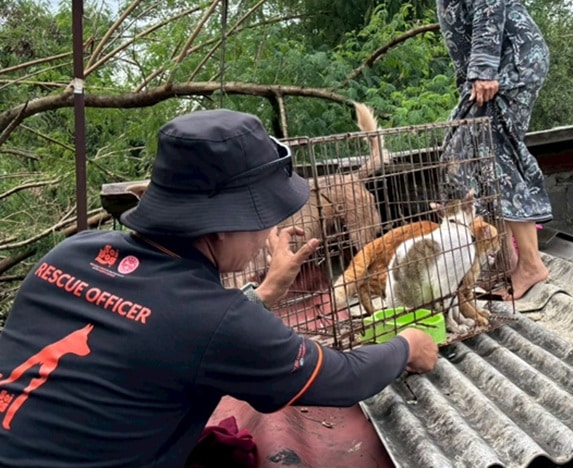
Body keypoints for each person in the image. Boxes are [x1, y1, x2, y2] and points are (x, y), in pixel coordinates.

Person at [0, 108, 438, 466]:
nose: (268, 228)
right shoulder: (214, 320)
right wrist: (405, 346)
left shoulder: (68, 253)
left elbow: (158, 328)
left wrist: (264, 295)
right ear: (221, 226)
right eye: (262, 216)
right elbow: (340, 378)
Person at [394, 0, 552, 300]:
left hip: (510, 63)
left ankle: (529, 264)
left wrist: (483, 69)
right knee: (469, 150)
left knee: (488, 151)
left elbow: (489, 2)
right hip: (503, 66)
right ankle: (507, 259)